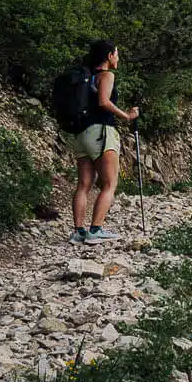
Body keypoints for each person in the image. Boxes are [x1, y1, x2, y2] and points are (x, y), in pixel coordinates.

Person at [68, 39, 139, 244]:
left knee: (83, 185)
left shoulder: (87, 77)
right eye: (116, 53)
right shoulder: (107, 75)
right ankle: (96, 230)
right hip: (101, 132)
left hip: (82, 134)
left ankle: (78, 232)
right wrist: (126, 115)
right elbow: (104, 101)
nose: (118, 57)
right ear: (109, 56)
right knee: (109, 184)